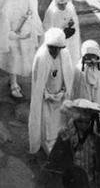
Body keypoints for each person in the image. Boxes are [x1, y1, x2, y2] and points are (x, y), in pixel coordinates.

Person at [29, 27, 74, 156]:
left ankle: (60, 142)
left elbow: (68, 76)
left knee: (60, 121)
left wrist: (63, 91)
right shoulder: (41, 57)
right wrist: (47, 94)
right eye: (52, 48)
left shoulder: (65, 55)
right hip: (46, 98)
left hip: (61, 96)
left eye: (57, 48)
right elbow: (38, 83)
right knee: (47, 123)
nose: (54, 51)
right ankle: (48, 144)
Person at [45, 99, 100, 187]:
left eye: (86, 122)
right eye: (80, 121)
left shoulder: (97, 140)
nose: (83, 125)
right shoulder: (65, 137)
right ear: (75, 120)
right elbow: (54, 164)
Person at [72, 40, 100, 139]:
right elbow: (76, 91)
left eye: (93, 56)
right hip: (85, 105)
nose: (91, 60)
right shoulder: (79, 71)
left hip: (99, 103)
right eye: (88, 56)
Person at [44, 0, 81, 66]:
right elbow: (48, 30)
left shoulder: (70, 9)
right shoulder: (52, 12)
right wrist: (61, 33)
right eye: (60, 4)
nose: (63, 6)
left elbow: (73, 22)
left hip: (69, 42)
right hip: (56, 43)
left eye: (65, 3)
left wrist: (71, 26)